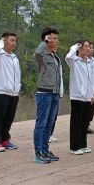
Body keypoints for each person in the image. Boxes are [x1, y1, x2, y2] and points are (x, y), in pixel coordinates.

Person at [33, 27, 63, 164]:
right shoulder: (42, 56)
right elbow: (37, 54)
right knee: (41, 124)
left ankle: (45, 150)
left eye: (57, 38)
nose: (57, 41)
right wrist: (44, 42)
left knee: (49, 124)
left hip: (54, 94)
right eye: (54, 38)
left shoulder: (55, 56)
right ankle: (38, 152)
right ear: (47, 39)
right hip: (44, 94)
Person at [0, 32, 21, 152]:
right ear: (4, 41)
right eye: (11, 40)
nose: (14, 43)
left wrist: (18, 87)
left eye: (15, 41)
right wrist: (0, 43)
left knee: (9, 118)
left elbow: (17, 74)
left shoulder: (14, 57)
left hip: (13, 93)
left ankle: (4, 139)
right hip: (1, 92)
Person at [65, 40, 94, 154]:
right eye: (85, 46)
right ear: (80, 48)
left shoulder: (90, 62)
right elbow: (68, 57)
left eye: (89, 46)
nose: (88, 48)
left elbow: (91, 79)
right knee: (76, 122)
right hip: (77, 95)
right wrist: (74, 47)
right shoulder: (74, 61)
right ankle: (74, 146)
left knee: (84, 122)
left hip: (87, 96)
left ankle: (83, 144)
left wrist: (92, 94)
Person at [85, 41, 94, 134]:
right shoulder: (83, 60)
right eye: (89, 47)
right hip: (87, 88)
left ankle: (87, 124)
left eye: (92, 48)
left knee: (91, 109)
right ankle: (84, 125)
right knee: (86, 107)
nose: (91, 49)